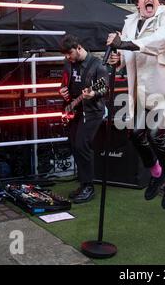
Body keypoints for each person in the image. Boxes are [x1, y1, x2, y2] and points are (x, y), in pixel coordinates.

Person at [106, 0, 165, 209]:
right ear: (138, 4)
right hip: (138, 90)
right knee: (134, 134)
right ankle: (157, 172)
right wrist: (117, 57)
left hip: (162, 88)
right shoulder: (130, 23)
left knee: (155, 135)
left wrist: (127, 45)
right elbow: (126, 53)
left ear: (158, 0)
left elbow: (161, 40)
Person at [59, 34, 108, 204]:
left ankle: (89, 187)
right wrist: (62, 90)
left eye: (69, 53)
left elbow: (105, 87)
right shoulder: (68, 63)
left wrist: (93, 92)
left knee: (82, 145)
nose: (67, 57)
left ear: (78, 48)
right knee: (74, 145)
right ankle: (83, 183)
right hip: (75, 110)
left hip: (92, 111)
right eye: (65, 55)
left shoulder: (97, 64)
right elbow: (64, 83)